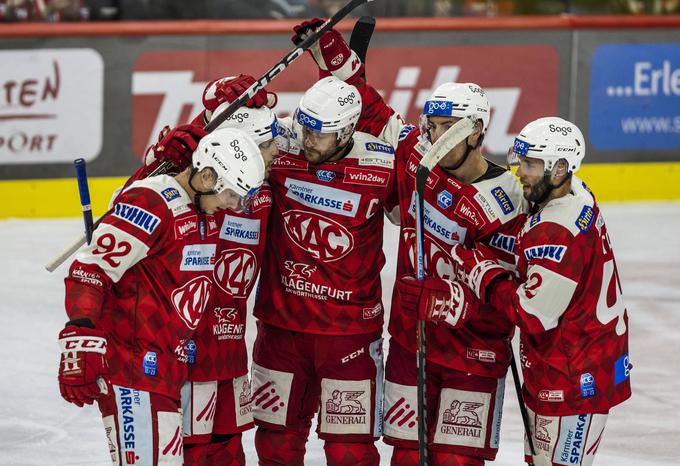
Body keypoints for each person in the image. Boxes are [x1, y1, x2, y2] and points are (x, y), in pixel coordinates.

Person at [297, 21, 528, 465]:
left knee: (455, 461)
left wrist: (446, 301)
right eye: (431, 125)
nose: (434, 137)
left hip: (471, 353)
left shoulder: (508, 199)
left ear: (477, 131)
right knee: (406, 458)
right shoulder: (415, 157)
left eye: (447, 128)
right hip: (411, 345)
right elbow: (368, 110)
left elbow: (508, 293)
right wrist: (330, 55)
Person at [56, 127, 266, 466]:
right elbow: (91, 269)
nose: (233, 206)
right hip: (132, 369)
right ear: (207, 175)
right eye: (231, 195)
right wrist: (80, 333)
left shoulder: (202, 210)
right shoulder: (150, 201)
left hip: (167, 369)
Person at [451, 117, 632, 466]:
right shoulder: (576, 190)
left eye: (531, 164)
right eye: (523, 161)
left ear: (561, 166)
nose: (521, 171)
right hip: (572, 360)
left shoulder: (556, 231)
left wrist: (483, 275)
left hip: (575, 375)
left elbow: (532, 315)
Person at [249, 74, 399, 466]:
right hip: (282, 327)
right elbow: (213, 148)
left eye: (320, 133)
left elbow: (410, 212)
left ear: (348, 129)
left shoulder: (383, 162)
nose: (308, 139)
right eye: (305, 127)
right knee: (275, 445)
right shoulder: (279, 146)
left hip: (348, 334)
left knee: (351, 452)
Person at [179, 76, 279, 466]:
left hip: (229, 350)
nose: (277, 152)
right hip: (184, 351)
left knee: (228, 453)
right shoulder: (190, 184)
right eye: (267, 145)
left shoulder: (267, 188)